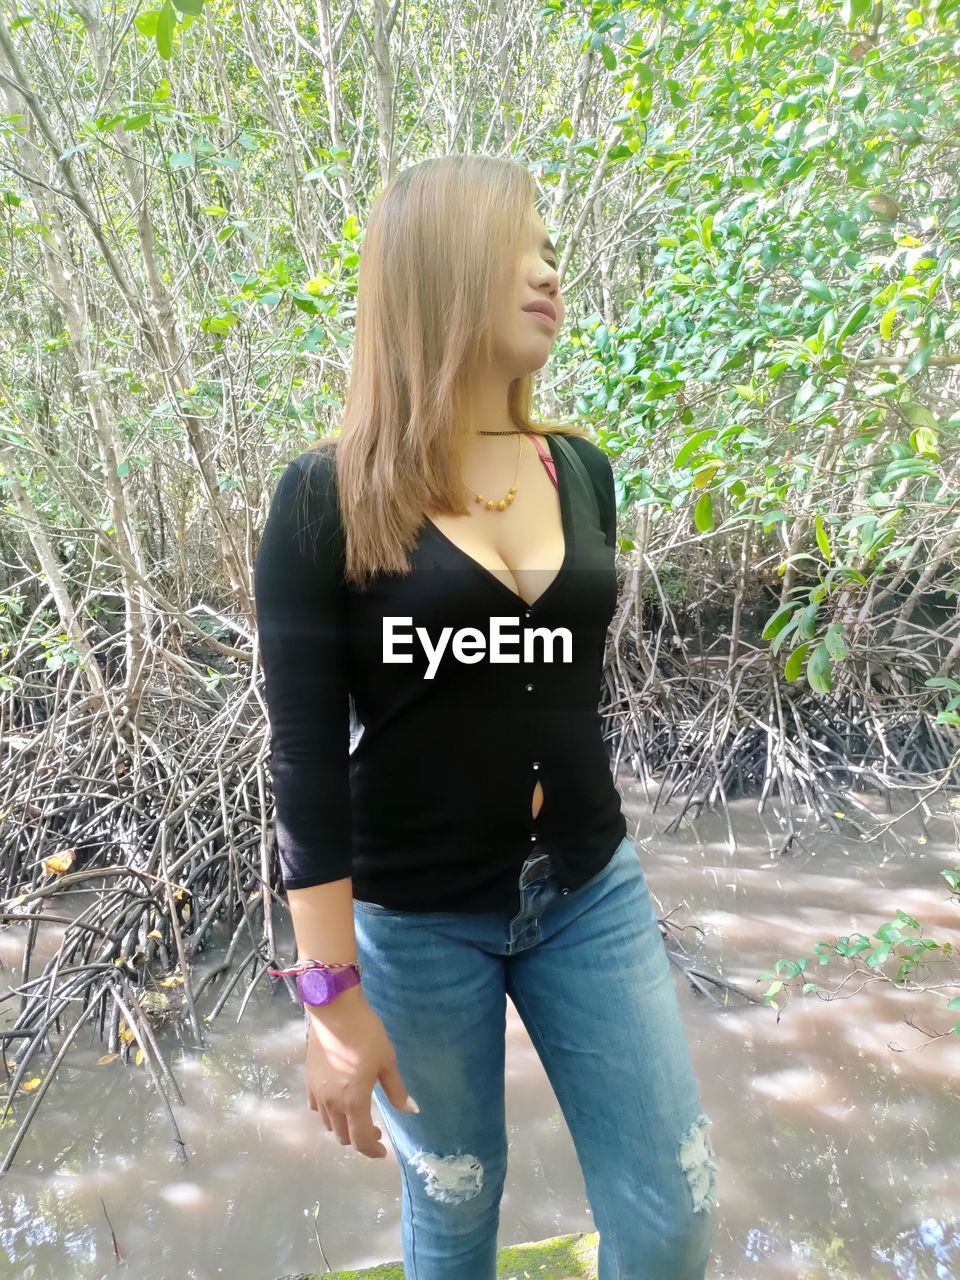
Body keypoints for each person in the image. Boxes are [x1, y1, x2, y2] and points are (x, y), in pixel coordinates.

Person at [254, 154, 717, 1280]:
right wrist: (328, 998)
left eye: (555, 251)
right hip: (414, 917)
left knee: (674, 1213)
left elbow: (556, 689)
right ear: (443, 266)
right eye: (525, 246)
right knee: (455, 1211)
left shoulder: (582, 472)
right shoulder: (327, 496)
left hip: (587, 889)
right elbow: (305, 763)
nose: (552, 272)